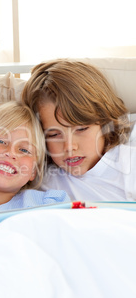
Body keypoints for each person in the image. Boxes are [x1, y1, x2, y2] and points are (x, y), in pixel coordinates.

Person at [22, 59, 136, 201]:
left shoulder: (128, 162)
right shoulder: (41, 180)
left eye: (81, 129)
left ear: (104, 122)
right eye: (54, 134)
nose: (69, 146)